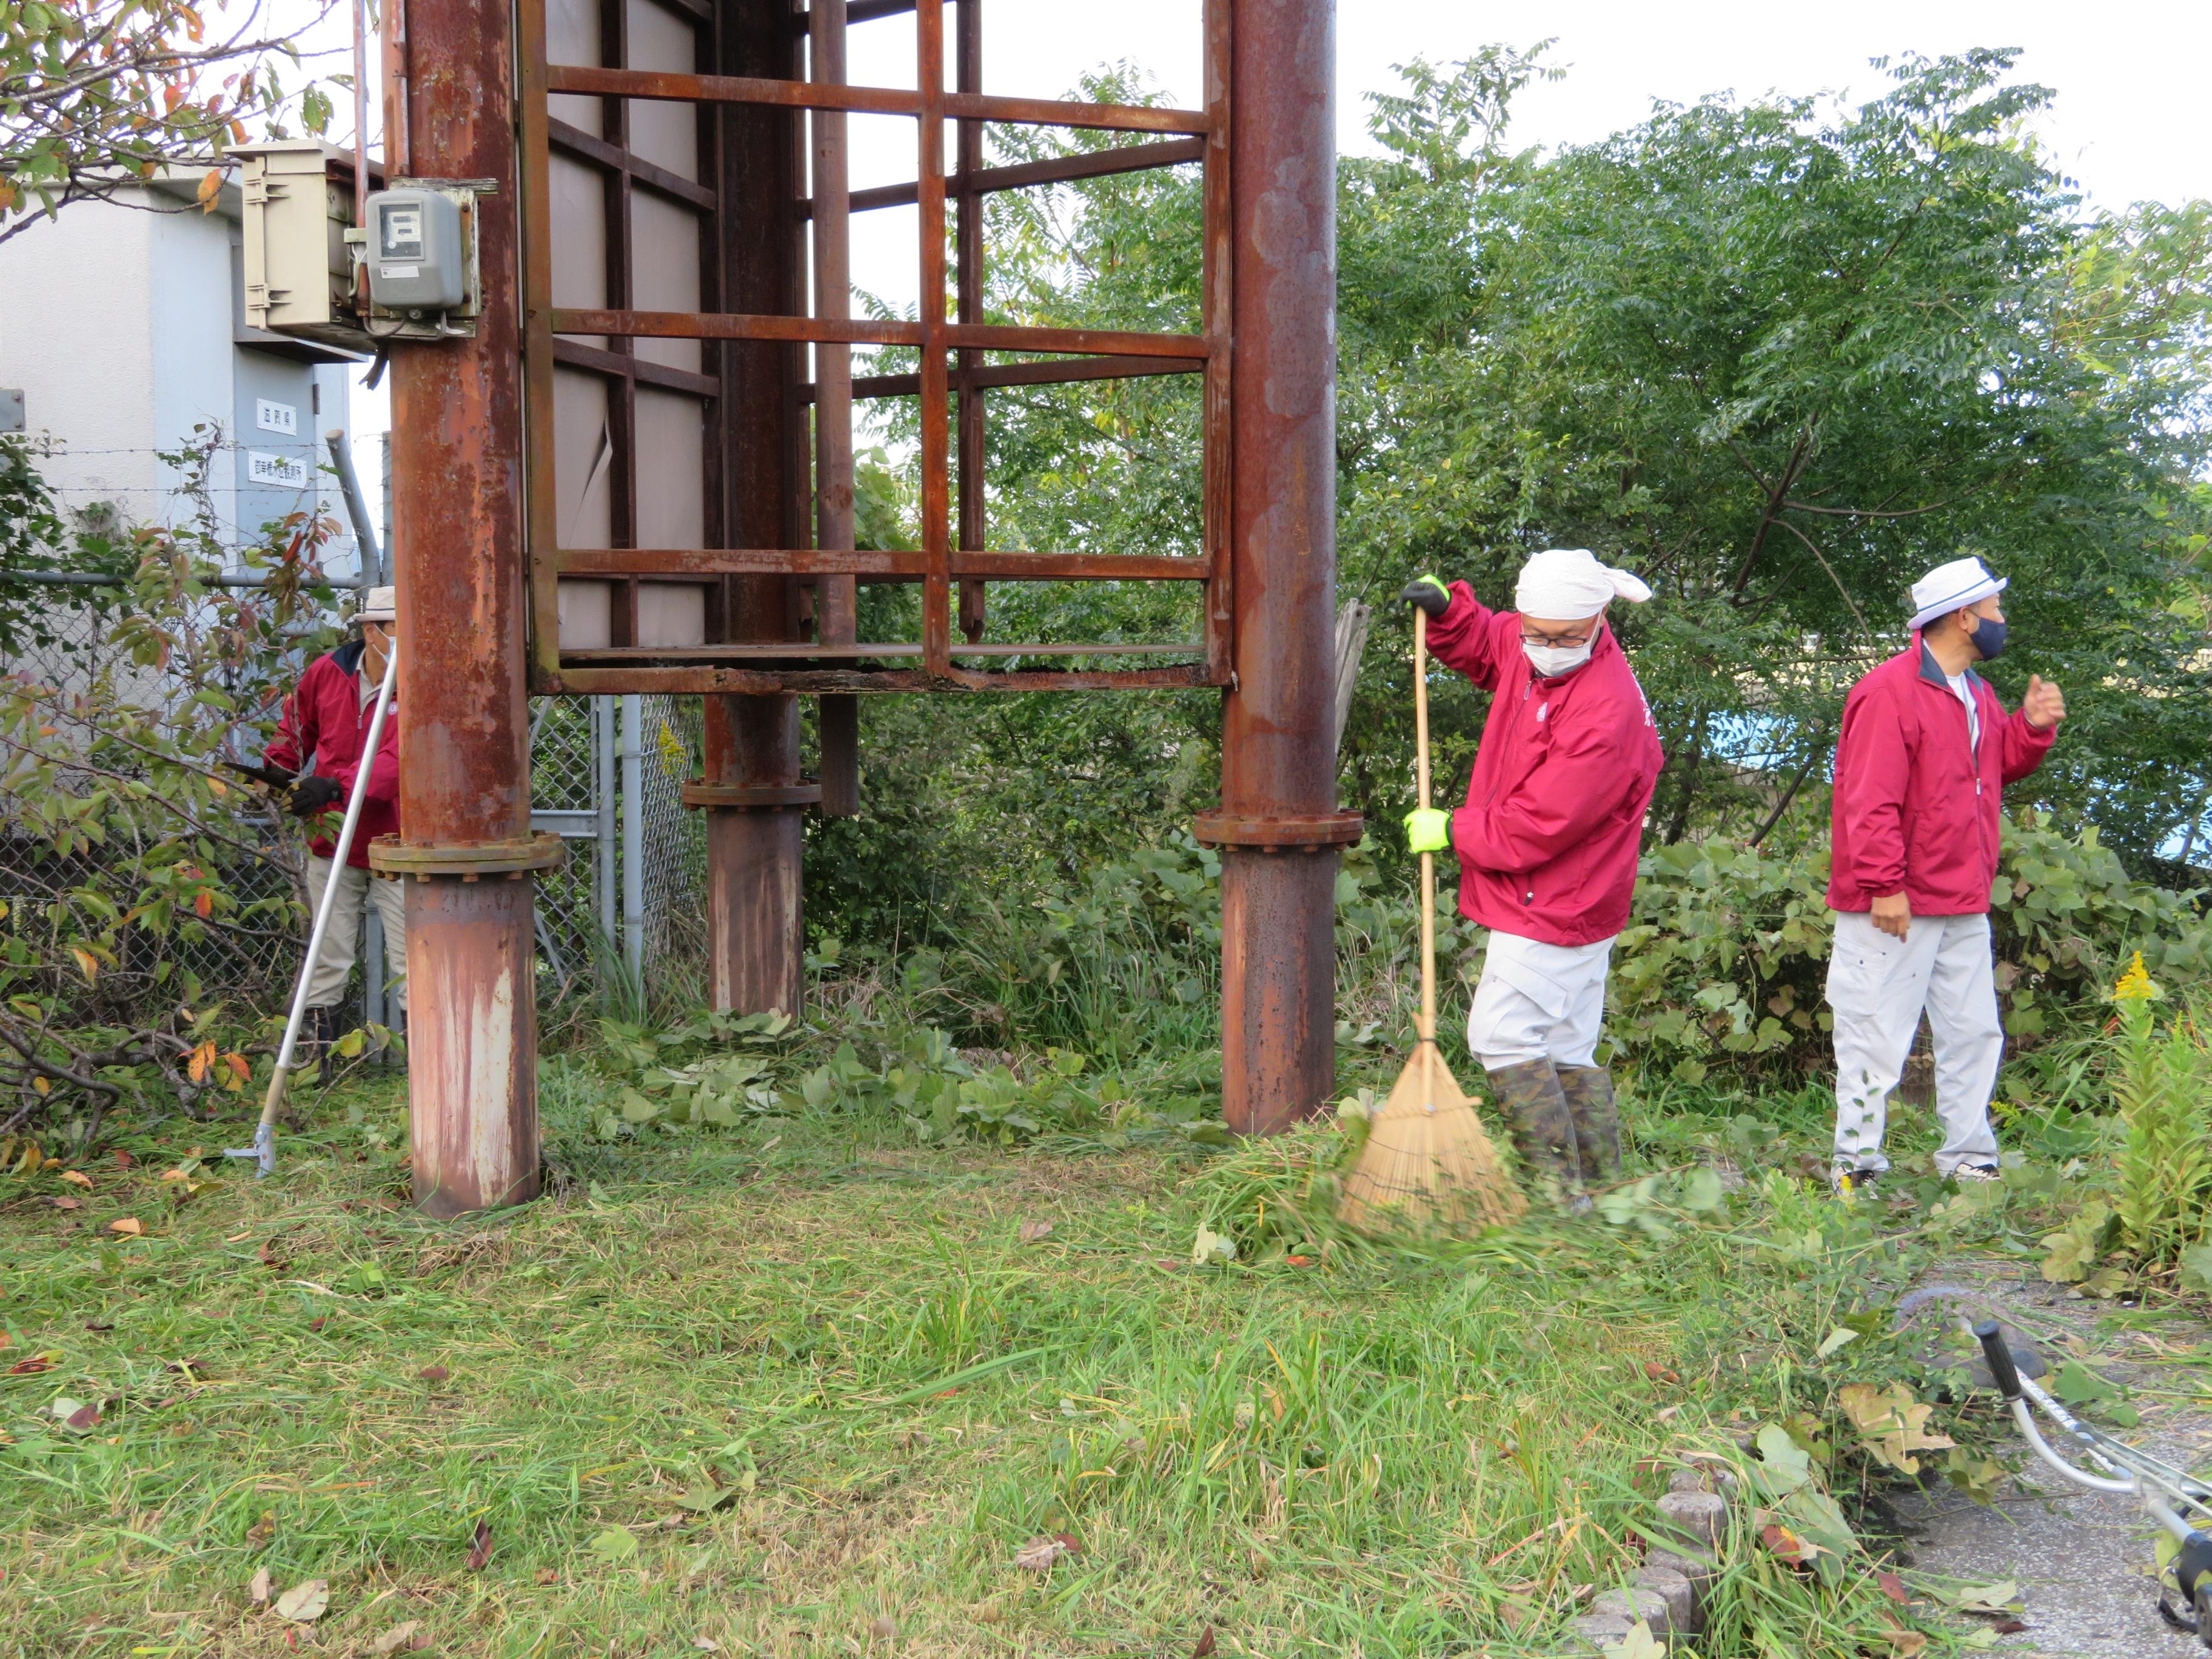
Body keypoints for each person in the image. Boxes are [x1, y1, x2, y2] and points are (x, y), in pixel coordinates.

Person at [1400, 549, 1665, 1202]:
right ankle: (1599, 1194)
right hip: (1576, 896)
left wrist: (1453, 830)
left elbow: (1541, 823)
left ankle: (1555, 1197)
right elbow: (1490, 642)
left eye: (1565, 637)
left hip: (1558, 898)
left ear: (1599, 619)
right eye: (1537, 634)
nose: (1547, 649)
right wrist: (1449, 612)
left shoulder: (1605, 713)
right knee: (1567, 1045)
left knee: (1501, 1036)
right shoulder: (1532, 647)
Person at [1826, 555, 2064, 1195]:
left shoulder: (1974, 691)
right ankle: (1855, 1169)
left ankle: (1969, 1159)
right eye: (1994, 609)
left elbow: (1989, 768)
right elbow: (1868, 799)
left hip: (1962, 896)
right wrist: (1885, 886)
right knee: (1873, 1036)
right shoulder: (1888, 691)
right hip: (1896, 902)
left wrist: (2031, 729)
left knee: (1973, 1033)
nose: (2002, 619)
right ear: (1965, 618)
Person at [263, 585, 405, 1056]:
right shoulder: (328, 672)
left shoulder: (424, 682)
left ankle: (422, 1071)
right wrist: (274, 776)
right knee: (326, 957)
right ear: (372, 631)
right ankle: (317, 1063)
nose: (409, 638)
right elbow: (295, 730)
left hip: (399, 842)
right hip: (332, 839)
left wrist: (332, 785)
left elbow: (398, 762)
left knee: (413, 960)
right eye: (398, 627)